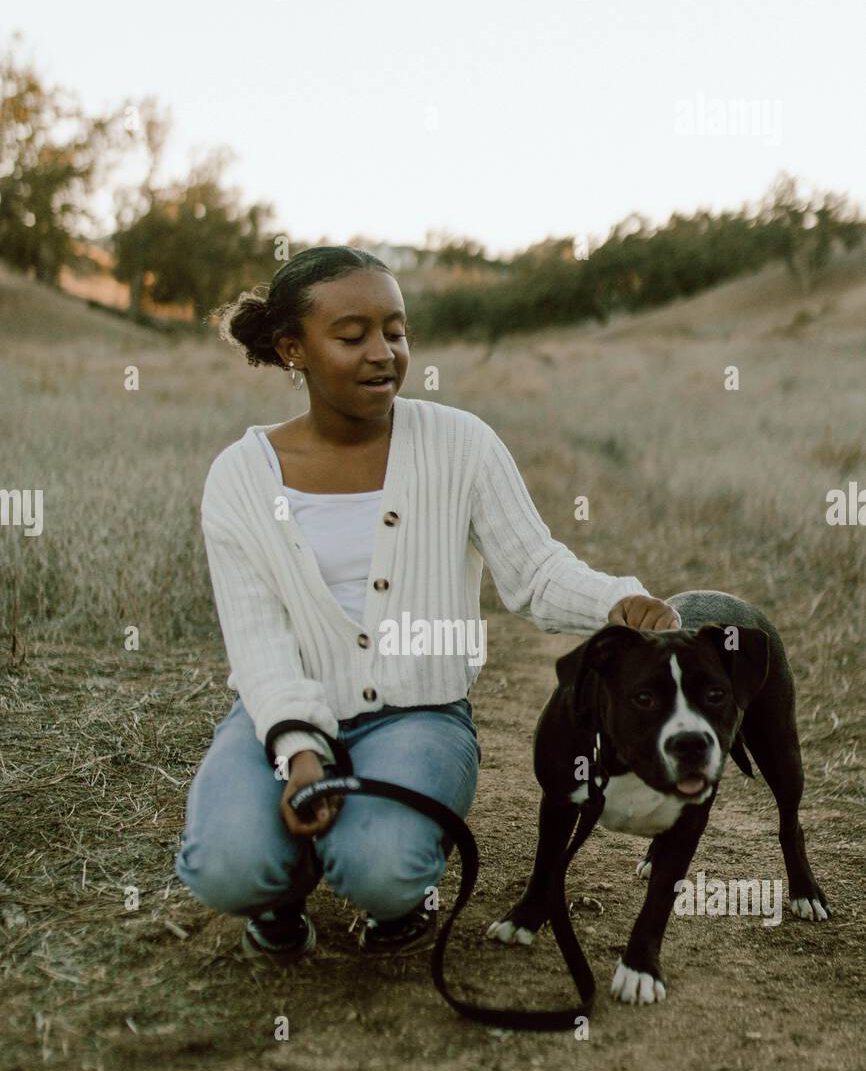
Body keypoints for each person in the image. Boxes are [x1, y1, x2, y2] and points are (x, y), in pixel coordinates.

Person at [174, 245, 680, 969]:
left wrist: (617, 600)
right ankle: (279, 893)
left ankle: (397, 893)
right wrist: (298, 750)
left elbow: (533, 572)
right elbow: (257, 642)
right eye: (352, 336)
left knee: (379, 865)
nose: (384, 353)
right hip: (278, 711)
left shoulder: (461, 445)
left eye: (397, 331)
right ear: (294, 349)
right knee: (225, 864)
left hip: (419, 713)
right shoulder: (239, 477)